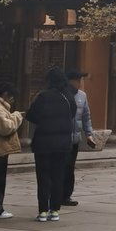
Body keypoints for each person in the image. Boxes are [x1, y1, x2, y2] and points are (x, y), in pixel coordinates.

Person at [26, 66, 76, 222]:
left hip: (43, 143)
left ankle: (42, 211)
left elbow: (31, 115)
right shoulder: (69, 97)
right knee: (58, 176)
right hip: (62, 144)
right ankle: (54, 210)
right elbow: (72, 115)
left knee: (43, 177)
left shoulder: (43, 96)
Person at [64, 69, 96, 206]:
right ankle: (55, 195)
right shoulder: (62, 94)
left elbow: (86, 116)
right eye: (79, 80)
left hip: (74, 139)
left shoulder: (82, 96)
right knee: (60, 168)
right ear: (71, 81)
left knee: (70, 168)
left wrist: (89, 134)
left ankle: (66, 196)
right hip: (62, 138)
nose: (80, 83)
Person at [0, 81, 24, 219]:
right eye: (12, 97)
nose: (12, 100)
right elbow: (6, 127)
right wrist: (17, 116)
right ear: (5, 94)